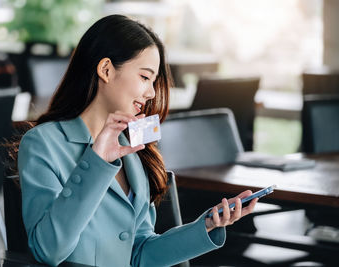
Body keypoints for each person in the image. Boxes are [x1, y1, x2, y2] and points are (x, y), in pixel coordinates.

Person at [16, 14, 258, 267]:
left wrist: (205, 226)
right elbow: (47, 250)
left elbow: (141, 253)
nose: (151, 92)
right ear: (106, 70)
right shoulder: (43, 143)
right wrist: (97, 161)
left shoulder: (132, 148)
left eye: (153, 82)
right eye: (144, 77)